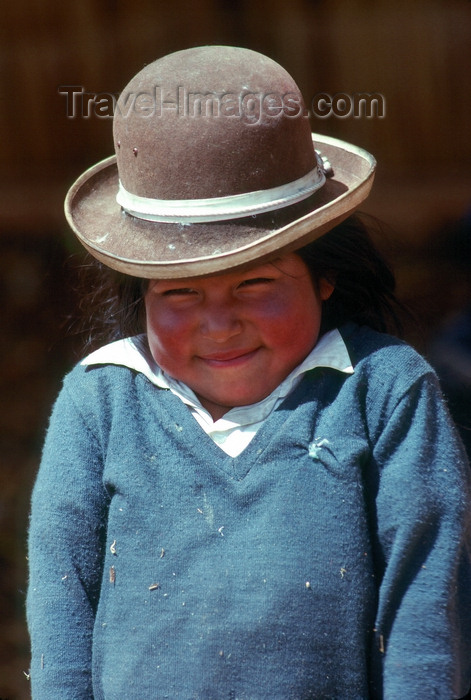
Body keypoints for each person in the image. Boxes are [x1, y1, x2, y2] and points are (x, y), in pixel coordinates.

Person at [27, 46, 471, 699]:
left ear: (324, 276)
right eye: (178, 293)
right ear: (140, 294)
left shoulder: (383, 391)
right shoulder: (98, 401)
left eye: (256, 281)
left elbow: (422, 610)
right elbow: (61, 605)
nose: (218, 322)